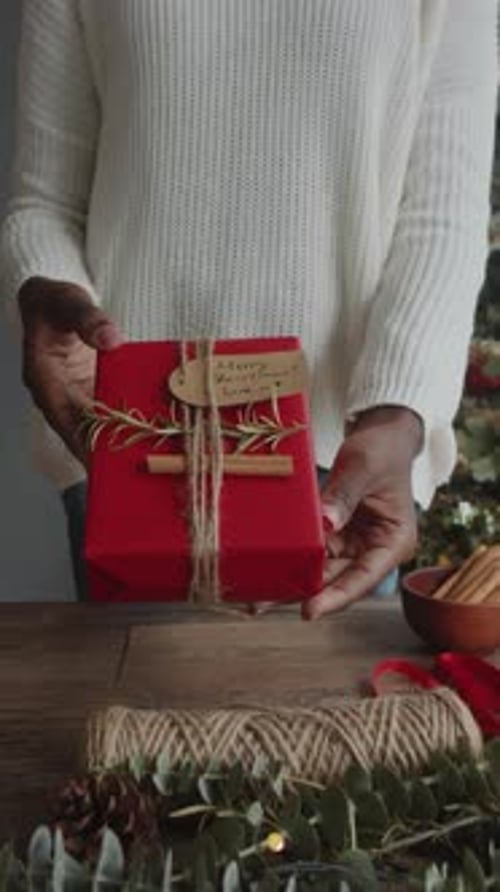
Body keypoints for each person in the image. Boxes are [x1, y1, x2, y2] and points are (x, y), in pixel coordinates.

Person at [0, 0, 497, 615]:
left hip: (340, 466)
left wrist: (399, 411)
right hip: (130, 446)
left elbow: (441, 212)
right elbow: (46, 202)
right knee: (133, 709)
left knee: (326, 711)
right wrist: (42, 286)